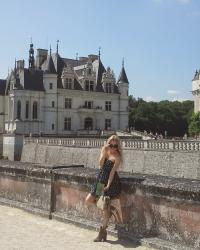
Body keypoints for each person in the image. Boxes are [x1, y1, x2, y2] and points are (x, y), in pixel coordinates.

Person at [85, 134, 123, 242]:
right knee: (88, 200)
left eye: (115, 146)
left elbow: (112, 172)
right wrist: (104, 151)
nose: (113, 148)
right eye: (111, 145)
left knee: (104, 207)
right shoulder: (105, 151)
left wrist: (108, 185)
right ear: (108, 144)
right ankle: (109, 211)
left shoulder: (118, 157)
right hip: (100, 180)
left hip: (109, 182)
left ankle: (102, 232)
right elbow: (100, 164)